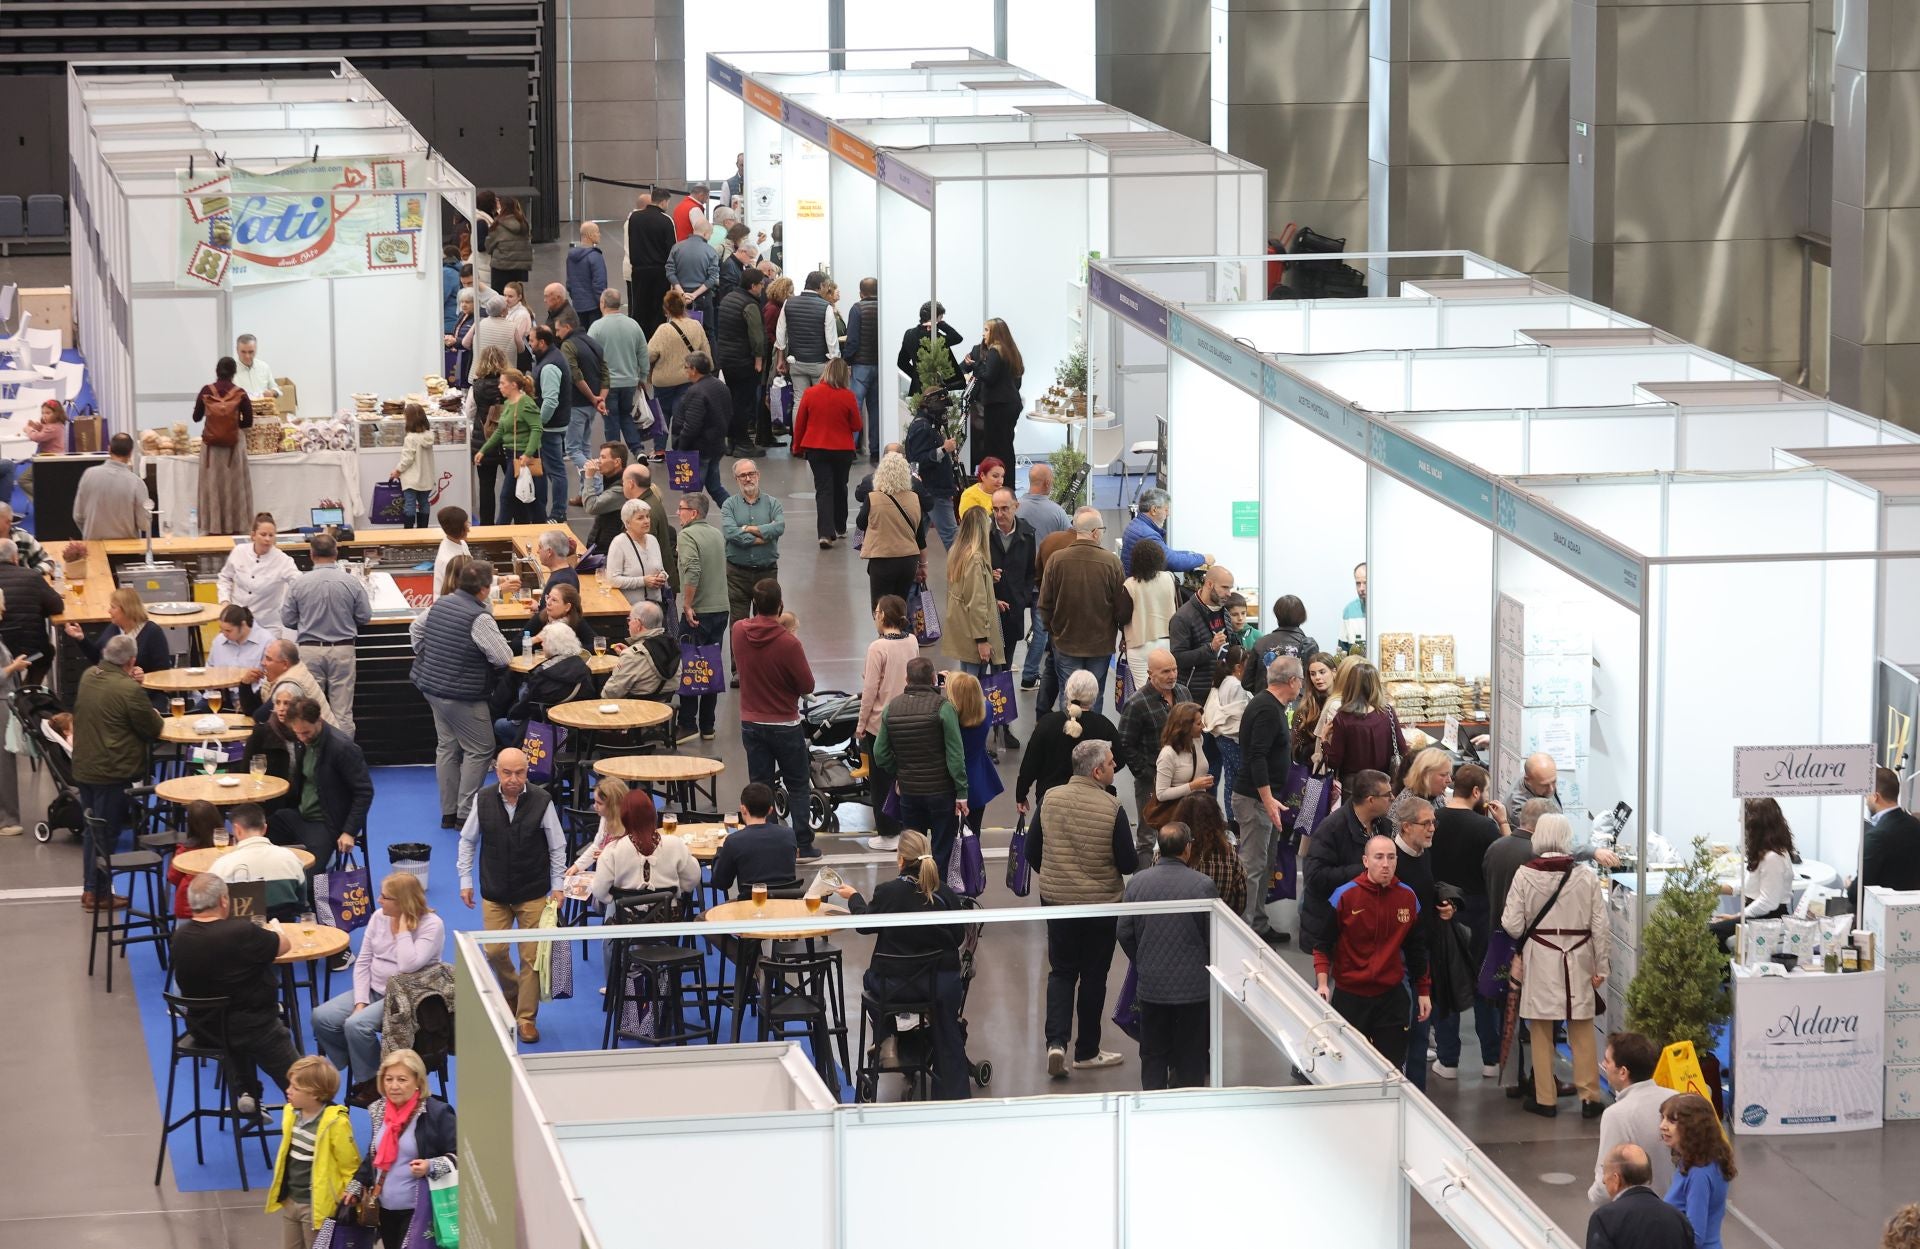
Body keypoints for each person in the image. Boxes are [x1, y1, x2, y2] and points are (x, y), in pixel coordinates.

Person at [834, 828, 970, 1098]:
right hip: (938, 987)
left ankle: (888, 1035)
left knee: (869, 979)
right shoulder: (946, 894)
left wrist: (854, 897)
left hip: (894, 988)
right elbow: (957, 938)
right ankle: (952, 1095)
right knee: (948, 1028)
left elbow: (864, 925)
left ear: (901, 859)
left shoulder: (888, 893)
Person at [1034, 739, 1138, 1076]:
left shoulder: (1049, 799)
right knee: (1094, 976)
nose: (1115, 765)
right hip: (1100, 906)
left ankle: (1056, 1043)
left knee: (1061, 972)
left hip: (1056, 902)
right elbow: (1128, 862)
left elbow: (1033, 851)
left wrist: (1057, 873)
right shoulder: (1112, 807)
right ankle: (1087, 1050)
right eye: (1111, 762)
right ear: (1097, 771)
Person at [1502, 812, 1610, 1117]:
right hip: (1579, 956)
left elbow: (1511, 924)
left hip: (1541, 956)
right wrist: (1601, 966)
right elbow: (1600, 926)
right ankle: (1590, 1097)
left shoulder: (1525, 874)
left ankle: (1545, 1098)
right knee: (1581, 1026)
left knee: (1540, 1028)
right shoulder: (1585, 876)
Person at [170, 873, 299, 1118]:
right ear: (223, 900)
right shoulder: (240, 932)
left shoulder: (179, 938)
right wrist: (273, 931)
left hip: (204, 1029)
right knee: (303, 1079)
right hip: (254, 1029)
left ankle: (247, 1091)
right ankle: (311, 1109)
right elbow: (284, 946)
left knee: (231, 1008)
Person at [458, 746, 564, 1042]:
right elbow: (467, 841)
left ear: (527, 772)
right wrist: (465, 879)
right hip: (495, 891)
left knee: (531, 959)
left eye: (519, 772)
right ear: (496, 772)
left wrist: (558, 885)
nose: (513, 779)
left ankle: (526, 1018)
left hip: (532, 891)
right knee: (494, 952)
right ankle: (512, 990)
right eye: (507, 773)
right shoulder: (482, 799)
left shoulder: (543, 801)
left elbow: (557, 846)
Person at [312, 871, 445, 1090]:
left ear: (402, 902)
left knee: (356, 1026)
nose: (379, 900)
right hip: (374, 989)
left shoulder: (432, 925)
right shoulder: (378, 917)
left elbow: (408, 966)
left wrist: (403, 930)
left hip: (406, 996)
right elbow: (363, 961)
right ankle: (367, 1069)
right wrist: (360, 1002)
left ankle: (371, 1084)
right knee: (321, 1017)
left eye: (385, 897)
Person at [1309, 834, 1430, 1066]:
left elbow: (1417, 949)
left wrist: (1423, 991)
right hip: (1350, 997)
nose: (1386, 864)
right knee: (1348, 1065)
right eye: (1379, 857)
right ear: (1365, 861)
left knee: (1391, 1067)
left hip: (1391, 998)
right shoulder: (1344, 896)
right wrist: (1322, 984)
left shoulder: (1408, 897)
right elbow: (1322, 944)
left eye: (1391, 857)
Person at [411, 560, 514, 828]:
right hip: (463, 695)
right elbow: (503, 657)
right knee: (481, 749)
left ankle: (449, 812)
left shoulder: (441, 603)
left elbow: (416, 630)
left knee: (447, 746)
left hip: (432, 687)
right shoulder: (479, 617)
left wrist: (432, 655)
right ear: (484, 589)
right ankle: (465, 814)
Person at [1118, 821, 1218, 1089]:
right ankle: (1187, 1103)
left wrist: (1142, 959)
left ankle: (1152, 1103)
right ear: (1187, 848)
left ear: (1159, 849)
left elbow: (1124, 931)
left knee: (1152, 1053)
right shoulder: (1202, 885)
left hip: (1152, 986)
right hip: (1194, 989)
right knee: (1191, 1055)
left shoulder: (1137, 883)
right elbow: (1213, 936)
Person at [72, 633, 164, 910]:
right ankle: (99, 893)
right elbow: (152, 728)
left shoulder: (89, 675)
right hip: (111, 771)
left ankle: (91, 889)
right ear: (132, 660)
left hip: (85, 766)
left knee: (93, 831)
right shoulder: (128, 690)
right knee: (106, 832)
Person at [733, 578, 819, 860]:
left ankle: (766, 844)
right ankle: (803, 844)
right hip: (784, 724)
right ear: (780, 606)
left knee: (761, 786)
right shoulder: (789, 643)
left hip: (751, 722)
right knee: (798, 784)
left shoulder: (738, 631)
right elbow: (807, 684)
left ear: (754, 604)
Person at [1430, 762, 1506, 1080]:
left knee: (1445, 986)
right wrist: (1502, 823)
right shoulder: (1486, 828)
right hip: (1479, 912)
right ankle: (1491, 1059)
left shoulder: (1432, 820)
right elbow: (1505, 859)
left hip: (1441, 909)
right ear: (1476, 791)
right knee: (1483, 986)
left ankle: (1448, 1060)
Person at [349, 1048, 458, 1249]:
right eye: (388, 1079)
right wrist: (357, 1184)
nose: (394, 1086)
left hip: (421, 1211)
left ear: (418, 1081)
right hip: (385, 1209)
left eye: (402, 1079)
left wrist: (431, 1166)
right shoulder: (379, 1109)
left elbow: (460, 1157)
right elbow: (375, 1153)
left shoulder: (437, 1113)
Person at [270, 697, 375, 900]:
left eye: (306, 732)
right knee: (258, 839)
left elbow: (364, 792)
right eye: (297, 733)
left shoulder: (342, 748)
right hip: (299, 816)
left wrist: (349, 832)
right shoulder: (303, 741)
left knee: (310, 880)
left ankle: (310, 913)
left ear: (318, 720)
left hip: (327, 824)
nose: (302, 738)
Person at [876, 657, 970, 871]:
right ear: (933, 678)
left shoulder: (891, 708)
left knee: (912, 851)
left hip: (909, 791)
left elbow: (880, 754)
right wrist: (962, 791)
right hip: (941, 791)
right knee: (942, 850)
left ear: (906, 679)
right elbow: (955, 755)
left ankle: (914, 886)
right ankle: (938, 886)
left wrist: (899, 771)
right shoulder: (943, 708)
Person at [1235, 656, 1304, 938]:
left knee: (1264, 864)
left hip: (1265, 799)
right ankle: (1244, 932)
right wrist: (1266, 799)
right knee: (1253, 867)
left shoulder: (1270, 706)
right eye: (1301, 680)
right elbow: (1257, 756)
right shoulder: (1266, 708)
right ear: (1292, 681)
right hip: (1256, 800)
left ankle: (1258, 924)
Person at [1038, 506, 1130, 712]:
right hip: (1100, 645)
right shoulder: (1112, 562)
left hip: (1065, 643)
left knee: (1069, 695)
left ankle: (1069, 732)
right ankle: (1092, 733)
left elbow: (1044, 604)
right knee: (1094, 696)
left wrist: (1054, 631)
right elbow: (1121, 607)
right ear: (1095, 532)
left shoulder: (1056, 560)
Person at [265, 1055, 361, 1249]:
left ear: (315, 1094)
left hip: (317, 1206)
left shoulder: (336, 1123)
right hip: (291, 1200)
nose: (288, 1090)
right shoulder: (290, 1113)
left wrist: (353, 1197)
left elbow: (349, 1165)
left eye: (295, 1088)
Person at [282, 533, 371, 737]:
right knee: (343, 713)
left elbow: (287, 619)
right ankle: (344, 754)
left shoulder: (299, 583)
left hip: (309, 650)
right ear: (336, 553)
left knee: (310, 711)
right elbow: (364, 616)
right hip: (342, 649)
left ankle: (314, 754)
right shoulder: (351, 582)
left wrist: (307, 621)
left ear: (311, 554)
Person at [857, 596, 920, 846]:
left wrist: (861, 724)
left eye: (876, 612)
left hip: (881, 724)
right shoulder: (912, 641)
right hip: (909, 717)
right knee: (905, 775)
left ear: (883, 615)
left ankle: (887, 831)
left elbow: (869, 690)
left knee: (881, 780)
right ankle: (907, 824)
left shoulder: (877, 648)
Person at [1017, 668, 1121, 819]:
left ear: (1067, 692)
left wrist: (1021, 794)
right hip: (1094, 804)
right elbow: (1119, 760)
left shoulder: (1047, 723)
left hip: (1051, 802)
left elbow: (1030, 764)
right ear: (1094, 696)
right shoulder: (1105, 727)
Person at [1589, 1032, 1675, 1205]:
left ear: (1623, 1072)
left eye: (1607, 1061)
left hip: (1639, 1211)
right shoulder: (1676, 1098)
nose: (1603, 1064)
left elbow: (1606, 1183)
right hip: (1678, 1210)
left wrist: (1593, 1196)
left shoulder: (1616, 1114)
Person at [1120, 649, 1192, 845]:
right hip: (1151, 779)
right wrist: (1146, 774)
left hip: (1183, 777)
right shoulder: (1136, 704)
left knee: (1183, 832)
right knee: (1147, 836)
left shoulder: (1184, 693)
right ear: (1150, 673)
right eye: (1166, 671)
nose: (1172, 675)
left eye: (1174, 669)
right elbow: (1125, 744)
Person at [675, 492, 730, 740]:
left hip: (699, 611)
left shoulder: (687, 535)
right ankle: (708, 725)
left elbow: (693, 569)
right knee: (710, 665)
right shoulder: (716, 533)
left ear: (693, 513)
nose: (678, 512)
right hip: (720, 609)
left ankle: (687, 724)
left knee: (691, 665)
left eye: (681, 508)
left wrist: (687, 604)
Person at [590, 786, 701, 905]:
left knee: (612, 906)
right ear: (652, 814)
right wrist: (676, 890)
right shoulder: (676, 844)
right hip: (669, 914)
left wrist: (615, 898)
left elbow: (599, 891)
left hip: (626, 915)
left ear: (623, 817)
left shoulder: (612, 850)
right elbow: (693, 878)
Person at [793, 358, 863, 545]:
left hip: (816, 448)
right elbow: (857, 425)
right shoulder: (848, 396)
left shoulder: (810, 393)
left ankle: (825, 534)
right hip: (843, 450)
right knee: (840, 487)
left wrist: (797, 447)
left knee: (823, 489)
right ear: (844, 375)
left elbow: (800, 424)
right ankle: (840, 526)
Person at [1711, 797, 1798, 948]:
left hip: (1768, 918)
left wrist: (1736, 917)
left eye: (1743, 816)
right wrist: (1715, 889)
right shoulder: (1765, 851)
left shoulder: (1773, 858)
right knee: (1712, 928)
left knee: (1712, 932)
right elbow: (1751, 883)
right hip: (1759, 915)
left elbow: (1768, 902)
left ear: (1756, 822)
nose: (1739, 820)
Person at [1015, 465, 1070, 691]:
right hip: (1043, 582)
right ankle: (1029, 675)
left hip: (1016, 581)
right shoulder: (1057, 512)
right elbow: (1070, 541)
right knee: (1041, 631)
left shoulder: (1015, 507)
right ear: (1047, 483)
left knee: (1008, 629)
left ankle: (1001, 673)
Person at [987, 488, 1036, 733]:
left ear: (1016, 506)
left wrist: (1022, 598)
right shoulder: (985, 532)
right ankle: (985, 724)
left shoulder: (1027, 534)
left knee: (1004, 668)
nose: (999, 514)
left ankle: (1003, 725)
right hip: (986, 611)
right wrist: (989, 581)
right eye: (995, 509)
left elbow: (1030, 572)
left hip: (1013, 611)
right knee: (985, 670)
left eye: (1004, 508)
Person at [1659, 1093, 1734, 1249]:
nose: (1663, 1126)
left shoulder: (1699, 1173)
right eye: (1663, 1118)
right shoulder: (1699, 1161)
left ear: (1693, 1127)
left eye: (1672, 1121)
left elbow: (1695, 1237)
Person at [190, 355, 255, 533]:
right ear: (234, 372)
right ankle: (236, 526)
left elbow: (196, 418)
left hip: (211, 448)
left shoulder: (206, 391)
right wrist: (232, 425)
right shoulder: (240, 393)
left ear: (216, 371)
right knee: (234, 487)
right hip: (233, 448)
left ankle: (213, 526)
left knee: (212, 486)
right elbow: (248, 422)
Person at [207, 802, 307, 916]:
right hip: (285, 925)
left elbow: (213, 911)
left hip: (239, 926)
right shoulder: (292, 859)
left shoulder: (221, 867)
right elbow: (301, 904)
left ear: (237, 829)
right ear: (265, 828)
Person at [1588, 1144, 1695, 1249]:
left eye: (1605, 1173)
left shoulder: (1604, 1218)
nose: (1603, 1180)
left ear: (1616, 1179)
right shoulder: (1679, 1220)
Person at [856, 450, 926, 608]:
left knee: (880, 608)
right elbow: (920, 537)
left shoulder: (873, 498)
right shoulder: (915, 498)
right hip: (908, 561)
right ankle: (899, 625)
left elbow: (860, 523)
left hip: (882, 560)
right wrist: (923, 565)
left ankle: (885, 626)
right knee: (900, 606)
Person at [215, 513, 300, 639]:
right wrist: (224, 601)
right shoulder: (239, 551)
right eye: (263, 534)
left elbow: (299, 583)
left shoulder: (283, 560)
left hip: (267, 626)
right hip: (236, 624)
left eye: (271, 535)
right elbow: (225, 577)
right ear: (253, 535)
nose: (267, 539)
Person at [556, 317, 610, 512]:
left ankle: (595, 483)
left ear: (567, 326)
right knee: (584, 448)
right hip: (590, 406)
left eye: (558, 329)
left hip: (577, 404)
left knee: (572, 449)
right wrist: (600, 399)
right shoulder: (593, 343)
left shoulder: (568, 345)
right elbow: (605, 373)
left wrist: (593, 397)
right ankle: (585, 492)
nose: (557, 334)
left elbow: (574, 375)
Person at [720, 458, 783, 626]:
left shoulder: (773, 503)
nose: (748, 478)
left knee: (767, 623)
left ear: (758, 475)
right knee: (738, 623)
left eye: (751, 474)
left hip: (767, 573)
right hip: (737, 575)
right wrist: (761, 537)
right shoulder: (728, 505)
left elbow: (779, 527)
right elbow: (731, 533)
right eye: (743, 475)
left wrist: (747, 528)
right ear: (736, 479)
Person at [945, 670, 1004, 846]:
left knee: (949, 837)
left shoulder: (949, 719)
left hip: (952, 783)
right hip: (978, 781)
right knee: (972, 835)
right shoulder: (987, 709)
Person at [710, 782, 799, 898]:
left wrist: (720, 849)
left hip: (751, 905)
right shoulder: (789, 834)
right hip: (786, 904)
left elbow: (721, 883)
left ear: (743, 809)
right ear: (770, 810)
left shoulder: (734, 841)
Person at [477, 367, 542, 524]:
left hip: (521, 457)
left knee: (507, 496)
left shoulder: (525, 403)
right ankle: (525, 528)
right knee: (519, 498)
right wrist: (483, 450)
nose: (499, 386)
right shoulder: (508, 403)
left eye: (502, 383)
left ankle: (500, 530)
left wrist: (528, 453)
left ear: (513, 385)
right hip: (512, 455)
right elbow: (500, 431)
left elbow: (537, 428)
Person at [715, 267, 769, 454]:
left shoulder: (728, 299)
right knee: (743, 403)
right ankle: (744, 443)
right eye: (761, 284)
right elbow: (757, 337)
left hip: (727, 359)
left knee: (732, 401)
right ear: (753, 286)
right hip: (744, 361)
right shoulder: (750, 305)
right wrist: (759, 360)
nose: (762, 287)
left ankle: (732, 442)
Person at [66, 585, 170, 681]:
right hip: (113, 688)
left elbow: (163, 674)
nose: (109, 611)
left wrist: (144, 677)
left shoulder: (153, 633)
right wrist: (81, 638)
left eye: (113, 607)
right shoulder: (113, 628)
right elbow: (97, 658)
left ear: (127, 610)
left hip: (142, 691)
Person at [588, 290, 648, 455]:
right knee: (626, 415)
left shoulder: (596, 327)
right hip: (629, 382)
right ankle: (638, 450)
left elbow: (589, 356)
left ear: (602, 303)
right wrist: (642, 377)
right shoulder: (633, 325)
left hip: (607, 385)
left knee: (611, 420)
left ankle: (614, 456)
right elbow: (643, 353)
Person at [944, 505, 1001, 679]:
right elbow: (976, 602)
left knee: (966, 677)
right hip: (975, 633)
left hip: (962, 626)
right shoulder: (976, 559)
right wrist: (982, 640)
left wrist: (987, 577)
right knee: (975, 683)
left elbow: (963, 587)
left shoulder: (956, 551)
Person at [1322, 660, 1399, 788]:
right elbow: (1401, 748)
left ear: (1349, 685)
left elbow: (1334, 761)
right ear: (1376, 684)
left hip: (1354, 787)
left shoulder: (1343, 718)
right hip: (1383, 784)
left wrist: (1324, 740)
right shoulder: (1388, 712)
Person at [961, 318, 1024, 471]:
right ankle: (1006, 482)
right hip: (1010, 404)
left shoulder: (995, 351)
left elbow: (988, 377)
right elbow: (1017, 381)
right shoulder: (1010, 352)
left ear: (995, 333)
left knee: (995, 450)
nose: (983, 334)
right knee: (1006, 448)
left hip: (998, 406)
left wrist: (975, 365)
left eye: (986, 330)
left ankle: (997, 481)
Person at [0, 537, 63, 686]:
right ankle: (29, 689)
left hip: (1, 651)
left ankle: (20, 689)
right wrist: (37, 610)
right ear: (15, 558)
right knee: (46, 653)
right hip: (31, 650)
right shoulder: (32, 576)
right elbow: (57, 606)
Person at [672, 351, 733, 504]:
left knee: (691, 495)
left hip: (698, 450)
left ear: (694, 369)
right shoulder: (720, 386)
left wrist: (681, 446)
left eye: (686, 367)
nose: (685, 371)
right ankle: (737, 513)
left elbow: (692, 425)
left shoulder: (696, 391)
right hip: (716, 446)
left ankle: (692, 519)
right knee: (715, 487)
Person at [1119, 538, 1179, 694]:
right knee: (1167, 690)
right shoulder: (1170, 578)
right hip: (1166, 641)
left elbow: (1122, 617)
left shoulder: (1130, 584)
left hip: (1139, 644)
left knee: (1144, 692)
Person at [904, 390, 962, 548]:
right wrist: (943, 449)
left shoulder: (924, 425)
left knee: (916, 539)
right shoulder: (922, 427)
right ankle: (960, 565)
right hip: (935, 491)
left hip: (929, 489)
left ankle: (912, 563)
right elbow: (918, 460)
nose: (944, 411)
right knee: (952, 538)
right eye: (942, 406)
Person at [1175, 793, 1247, 916]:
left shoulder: (1168, 852)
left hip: (1176, 922)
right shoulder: (1229, 855)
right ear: (1217, 819)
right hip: (1218, 922)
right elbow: (1240, 902)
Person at [72, 432, 150, 540]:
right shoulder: (136, 483)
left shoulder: (88, 474)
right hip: (126, 548)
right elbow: (144, 524)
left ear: (109, 449)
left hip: (94, 546)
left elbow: (78, 515)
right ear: (130, 453)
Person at [776, 271, 838, 402]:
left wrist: (780, 359)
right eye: (827, 286)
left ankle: (799, 417)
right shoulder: (826, 307)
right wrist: (835, 361)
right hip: (819, 363)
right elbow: (831, 340)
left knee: (799, 400)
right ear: (821, 285)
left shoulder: (788, 303)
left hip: (796, 361)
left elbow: (780, 333)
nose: (828, 290)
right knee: (820, 401)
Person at [465, 349, 509, 527]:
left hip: (483, 442)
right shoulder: (510, 385)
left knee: (486, 487)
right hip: (508, 442)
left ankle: (487, 526)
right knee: (513, 485)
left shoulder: (476, 387)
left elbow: (469, 413)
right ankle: (513, 522)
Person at [1202, 642, 1249, 810]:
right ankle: (1237, 814)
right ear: (1238, 667)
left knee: (1231, 778)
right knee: (1242, 777)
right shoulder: (1236, 685)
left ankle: (1231, 816)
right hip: (1232, 738)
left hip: (1222, 738)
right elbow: (1239, 714)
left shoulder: (1223, 681)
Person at [1120, 488, 1210, 575]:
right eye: (1166, 510)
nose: (1168, 514)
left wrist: (1190, 554)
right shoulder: (1148, 535)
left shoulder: (1135, 524)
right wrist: (1203, 559)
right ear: (1154, 510)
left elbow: (1169, 553)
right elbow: (1173, 562)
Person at [1861, 765, 1920, 894]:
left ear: (1875, 796)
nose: (1866, 802)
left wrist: (1849, 886)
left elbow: (1860, 890)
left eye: (1866, 796)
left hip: (1882, 904)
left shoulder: (1876, 836)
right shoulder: (1916, 824)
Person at [627, 188, 678, 337]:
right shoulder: (666, 220)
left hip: (638, 271)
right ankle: (656, 341)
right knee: (658, 310)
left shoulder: (634, 218)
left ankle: (640, 341)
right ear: (663, 202)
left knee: (640, 309)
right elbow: (672, 250)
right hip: (659, 272)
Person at [604, 601, 677, 700]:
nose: (628, 624)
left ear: (637, 623)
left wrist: (628, 658)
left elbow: (610, 693)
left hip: (635, 707)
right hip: (663, 706)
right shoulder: (672, 647)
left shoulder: (631, 656)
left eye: (629, 620)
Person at [605, 498, 668, 611]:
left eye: (647, 516)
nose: (646, 521)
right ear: (628, 523)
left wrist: (662, 576)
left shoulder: (653, 540)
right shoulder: (619, 543)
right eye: (640, 518)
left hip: (655, 608)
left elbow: (661, 569)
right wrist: (643, 581)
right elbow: (612, 579)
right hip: (631, 610)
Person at [166, 799, 223, 919]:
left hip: (189, 909)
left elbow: (172, 877)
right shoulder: (229, 846)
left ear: (190, 825)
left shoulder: (184, 851)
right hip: (221, 907)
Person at [844, 278, 882, 459]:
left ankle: (850, 448)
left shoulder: (857, 309)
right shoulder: (883, 308)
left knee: (855, 407)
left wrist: (847, 360)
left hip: (860, 365)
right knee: (876, 409)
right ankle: (876, 449)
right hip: (879, 365)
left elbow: (852, 339)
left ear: (861, 293)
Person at [563, 776, 630, 877]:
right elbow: (597, 845)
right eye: (595, 801)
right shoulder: (606, 817)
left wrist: (607, 857)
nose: (594, 806)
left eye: (599, 803)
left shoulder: (629, 828)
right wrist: (577, 866)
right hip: (607, 874)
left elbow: (630, 863)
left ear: (613, 807)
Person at [1246, 594, 1321, 681]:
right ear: (1302, 615)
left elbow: (1247, 682)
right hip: (1296, 690)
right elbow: (1314, 680)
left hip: (1265, 690)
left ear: (1277, 614)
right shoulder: (1308, 645)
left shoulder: (1261, 643)